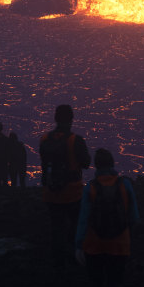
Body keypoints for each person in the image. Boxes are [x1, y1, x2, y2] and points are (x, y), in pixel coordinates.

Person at [75, 148, 140, 287]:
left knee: (96, 284)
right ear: (112, 164)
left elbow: (84, 219)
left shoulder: (90, 188)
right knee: (115, 283)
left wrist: (79, 245)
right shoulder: (125, 185)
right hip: (120, 244)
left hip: (94, 245)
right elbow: (134, 217)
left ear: (96, 165)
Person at [39, 104, 91, 276]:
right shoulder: (75, 141)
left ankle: (57, 261)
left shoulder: (45, 139)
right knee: (75, 226)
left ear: (55, 118)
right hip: (72, 192)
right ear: (71, 119)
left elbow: (44, 163)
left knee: (56, 227)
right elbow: (85, 163)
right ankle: (74, 257)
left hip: (50, 192)